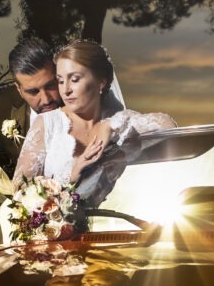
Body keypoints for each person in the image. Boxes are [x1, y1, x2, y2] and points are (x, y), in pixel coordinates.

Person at [12, 39, 175, 206]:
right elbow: (20, 193)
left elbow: (168, 124)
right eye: (60, 81)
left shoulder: (120, 122)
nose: (66, 89)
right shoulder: (46, 124)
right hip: (62, 229)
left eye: (74, 79)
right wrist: (72, 174)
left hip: (114, 224)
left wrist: (109, 125)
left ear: (101, 82)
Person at [0, 38, 62, 174]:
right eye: (33, 91)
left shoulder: (83, 103)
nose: (46, 99)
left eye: (50, 85)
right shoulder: (1, 106)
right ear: (19, 89)